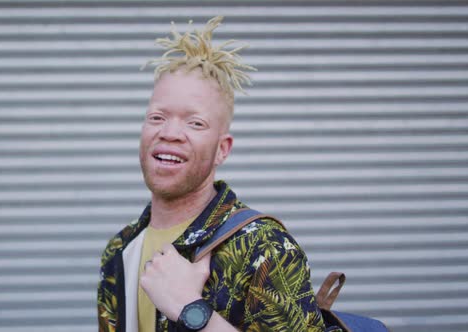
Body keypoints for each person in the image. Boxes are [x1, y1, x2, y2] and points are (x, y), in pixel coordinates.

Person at [97, 16, 335, 332]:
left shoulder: (264, 247)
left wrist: (191, 310)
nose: (170, 132)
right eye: (157, 117)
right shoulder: (120, 250)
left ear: (222, 149)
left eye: (195, 123)